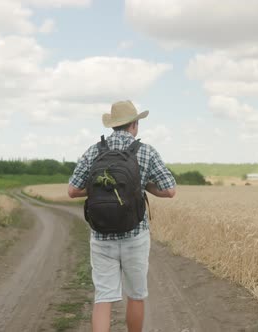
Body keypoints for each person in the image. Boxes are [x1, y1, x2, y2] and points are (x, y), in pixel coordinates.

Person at [67, 100, 176, 332]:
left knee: (103, 297)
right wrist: (140, 185)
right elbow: (169, 190)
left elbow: (73, 190)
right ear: (134, 125)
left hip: (101, 235)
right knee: (136, 295)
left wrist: (102, 187)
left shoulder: (94, 151)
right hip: (135, 235)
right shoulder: (145, 151)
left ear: (113, 126)